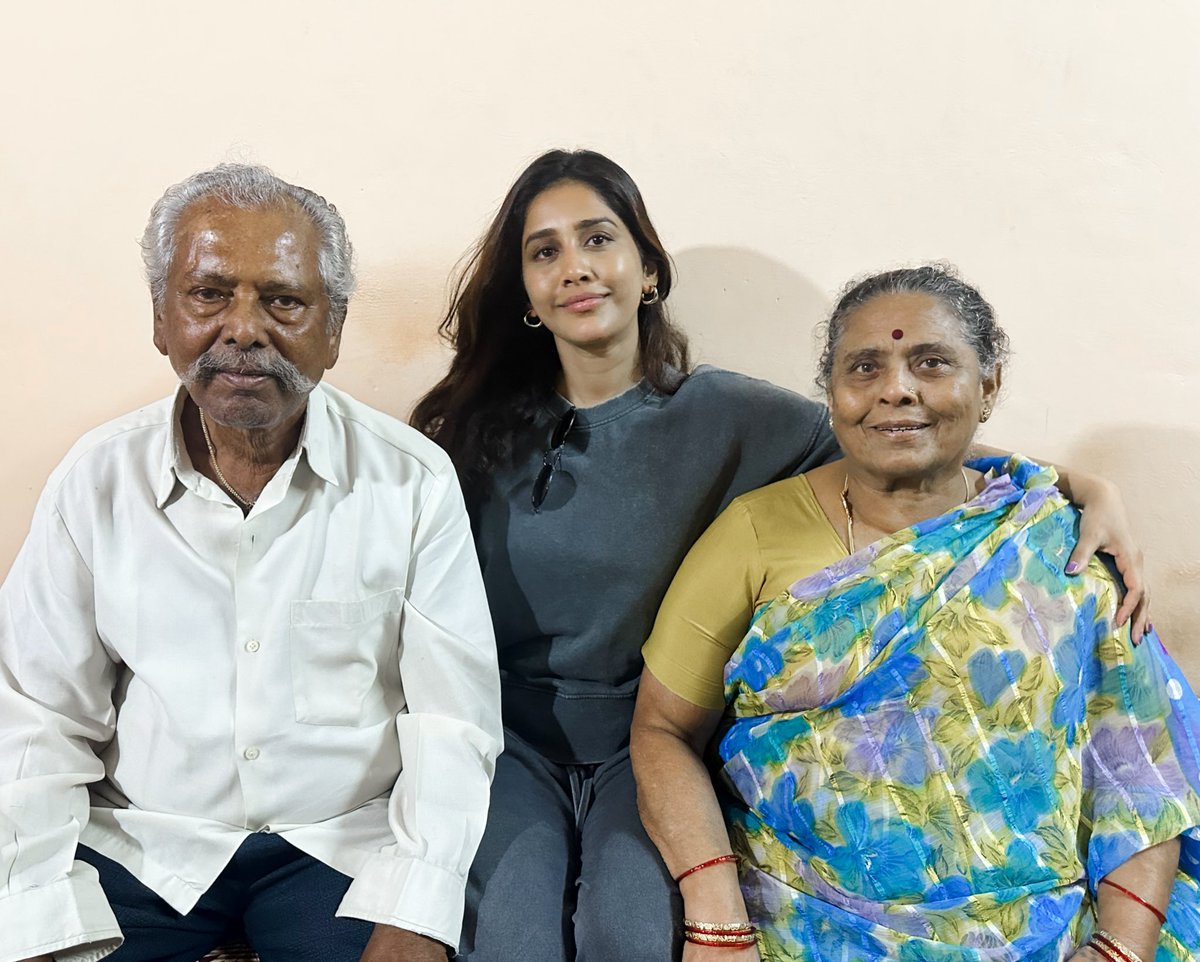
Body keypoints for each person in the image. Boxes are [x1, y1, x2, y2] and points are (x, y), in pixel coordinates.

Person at [410, 150, 1151, 961]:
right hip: (508, 741)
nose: (575, 268)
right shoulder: (470, 433)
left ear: (647, 269)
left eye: (597, 239)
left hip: (646, 742)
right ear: (523, 290)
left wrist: (1078, 483)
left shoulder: (734, 414)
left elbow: (901, 432)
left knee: (629, 937)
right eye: (544, 251)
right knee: (510, 942)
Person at [0, 164, 502, 962]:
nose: (243, 328)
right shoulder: (94, 482)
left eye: (284, 300)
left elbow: (453, 723)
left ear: (333, 330)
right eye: (208, 294)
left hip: (339, 849)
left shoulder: (411, 482)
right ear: (162, 320)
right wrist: (32, 911)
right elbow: (36, 717)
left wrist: (416, 908)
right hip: (146, 847)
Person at [631, 265, 1200, 961]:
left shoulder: (1058, 547)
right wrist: (717, 922)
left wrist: (1119, 948)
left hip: (1049, 931)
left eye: (930, 363)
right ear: (834, 395)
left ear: (988, 387)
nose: (895, 388)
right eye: (864, 367)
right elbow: (661, 731)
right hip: (805, 923)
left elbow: (1139, 780)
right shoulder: (753, 535)